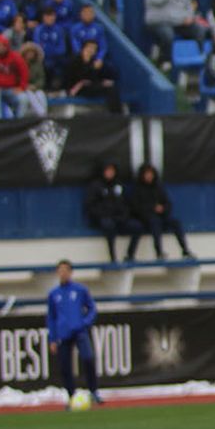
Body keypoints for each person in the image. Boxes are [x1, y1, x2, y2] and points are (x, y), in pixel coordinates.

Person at [46, 260, 102, 408]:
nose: (63, 273)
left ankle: (94, 391)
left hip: (79, 331)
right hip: (63, 334)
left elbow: (92, 308)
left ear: (70, 272)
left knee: (88, 359)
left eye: (65, 270)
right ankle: (71, 396)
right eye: (60, 270)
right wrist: (52, 338)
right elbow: (51, 317)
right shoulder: (54, 294)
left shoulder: (80, 290)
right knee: (65, 367)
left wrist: (85, 323)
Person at [130, 163, 193, 260]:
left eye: (151, 173)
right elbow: (136, 207)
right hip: (145, 218)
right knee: (155, 222)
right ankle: (159, 252)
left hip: (161, 216)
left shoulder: (158, 187)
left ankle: (185, 250)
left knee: (175, 222)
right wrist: (152, 208)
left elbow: (167, 203)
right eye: (146, 174)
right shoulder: (137, 189)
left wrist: (163, 209)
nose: (149, 176)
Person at [85, 162, 143, 262]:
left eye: (112, 171)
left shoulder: (119, 185)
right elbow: (91, 206)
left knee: (137, 226)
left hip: (119, 217)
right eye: (108, 170)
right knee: (109, 226)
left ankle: (130, 255)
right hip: (104, 217)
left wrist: (124, 215)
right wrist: (104, 215)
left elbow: (126, 203)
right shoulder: (96, 186)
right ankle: (112, 257)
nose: (110, 173)